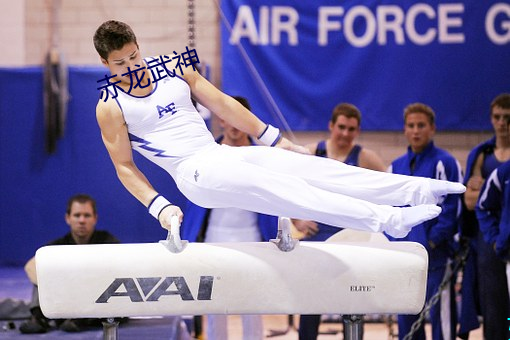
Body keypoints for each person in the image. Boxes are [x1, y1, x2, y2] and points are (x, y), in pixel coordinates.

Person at [93, 20, 464, 248]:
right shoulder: (111, 106)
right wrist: (160, 207)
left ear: (140, 47)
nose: (132, 67)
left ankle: (413, 189)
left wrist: (274, 138)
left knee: (311, 168)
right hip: (193, 174)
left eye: (134, 57)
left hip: (220, 156)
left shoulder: (174, 69)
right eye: (121, 64)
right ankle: (386, 220)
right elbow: (124, 167)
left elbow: (223, 104)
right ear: (105, 65)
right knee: (287, 190)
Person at [181, 96, 278, 340]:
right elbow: (192, 198)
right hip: (214, 238)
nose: (235, 126)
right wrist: (187, 238)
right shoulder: (204, 154)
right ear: (221, 120)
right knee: (215, 305)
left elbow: (275, 199)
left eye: (239, 120)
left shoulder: (262, 159)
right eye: (229, 119)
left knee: (253, 305)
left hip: (254, 239)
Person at [296, 102, 386, 340]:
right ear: (331, 126)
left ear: (357, 131)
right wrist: (297, 220)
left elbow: (389, 192)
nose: (346, 134)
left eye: (351, 129)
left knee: (354, 300)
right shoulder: (311, 152)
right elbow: (285, 189)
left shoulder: (366, 158)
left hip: (351, 239)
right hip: (317, 235)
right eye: (342, 127)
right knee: (310, 302)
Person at [387, 103, 462, 340]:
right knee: (407, 321)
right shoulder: (395, 167)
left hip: (436, 257)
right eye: (411, 126)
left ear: (432, 129)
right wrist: (395, 243)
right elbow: (388, 209)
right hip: (405, 259)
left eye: (421, 125)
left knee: (442, 320)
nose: (416, 131)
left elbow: (452, 209)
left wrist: (432, 241)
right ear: (405, 130)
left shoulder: (445, 163)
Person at [19, 194, 120, 334]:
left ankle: (80, 319)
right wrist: (60, 283)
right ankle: (38, 318)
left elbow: (118, 270)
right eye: (77, 215)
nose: (82, 220)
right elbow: (30, 266)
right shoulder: (57, 246)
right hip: (65, 298)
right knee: (42, 270)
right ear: (68, 218)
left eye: (87, 215)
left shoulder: (108, 242)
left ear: (95, 218)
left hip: (96, 301)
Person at [460, 93, 510, 340]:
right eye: (497, 117)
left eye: (507, 118)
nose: (502, 123)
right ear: (491, 119)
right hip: (489, 238)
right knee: (493, 304)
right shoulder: (482, 154)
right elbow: (469, 202)